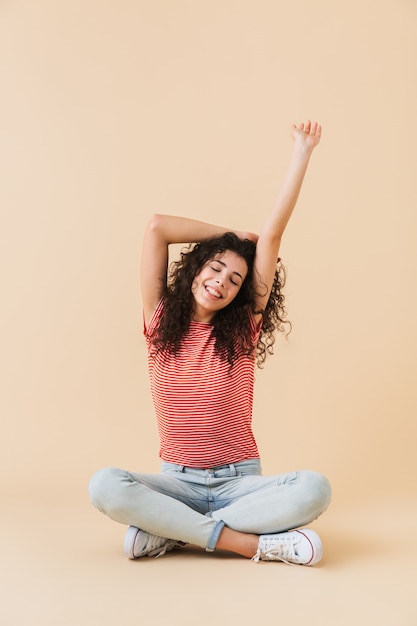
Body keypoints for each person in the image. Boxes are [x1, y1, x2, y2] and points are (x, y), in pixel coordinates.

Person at [89, 120, 331, 565]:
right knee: (103, 484)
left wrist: (303, 151)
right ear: (197, 267)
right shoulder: (159, 320)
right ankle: (248, 543)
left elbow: (272, 237)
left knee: (315, 489)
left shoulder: (241, 331)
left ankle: (174, 530)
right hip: (176, 481)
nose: (222, 282)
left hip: (240, 482)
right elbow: (157, 226)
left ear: (243, 294)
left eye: (236, 280)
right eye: (216, 268)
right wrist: (231, 237)